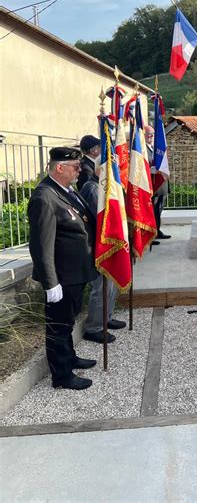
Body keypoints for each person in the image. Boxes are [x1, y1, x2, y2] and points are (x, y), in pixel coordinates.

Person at [27, 147, 96, 390]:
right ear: (59, 167)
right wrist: (50, 282)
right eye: (76, 167)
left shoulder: (65, 190)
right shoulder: (44, 197)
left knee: (68, 320)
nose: (80, 171)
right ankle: (62, 375)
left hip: (75, 273)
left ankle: (70, 357)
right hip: (62, 276)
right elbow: (41, 245)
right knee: (58, 325)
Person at [80, 157, 126, 343]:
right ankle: (94, 327)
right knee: (101, 287)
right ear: (100, 170)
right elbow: (103, 216)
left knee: (111, 284)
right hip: (100, 243)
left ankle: (106, 318)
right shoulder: (92, 188)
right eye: (110, 168)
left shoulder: (104, 187)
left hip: (110, 241)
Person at [145, 125, 171, 246]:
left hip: (161, 184)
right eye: (147, 135)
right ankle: (151, 234)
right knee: (153, 211)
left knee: (159, 209)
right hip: (153, 185)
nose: (150, 138)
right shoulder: (143, 149)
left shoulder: (156, 148)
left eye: (151, 135)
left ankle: (157, 230)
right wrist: (150, 170)